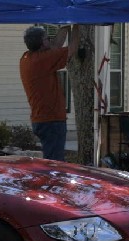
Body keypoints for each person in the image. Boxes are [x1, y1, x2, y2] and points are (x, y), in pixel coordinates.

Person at [19, 24, 80, 161]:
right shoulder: (42, 60)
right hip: (51, 120)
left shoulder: (27, 58)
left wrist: (66, 23)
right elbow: (72, 48)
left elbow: (56, 45)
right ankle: (51, 183)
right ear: (41, 44)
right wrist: (77, 23)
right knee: (55, 164)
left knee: (51, 160)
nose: (50, 40)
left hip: (42, 119)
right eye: (47, 39)